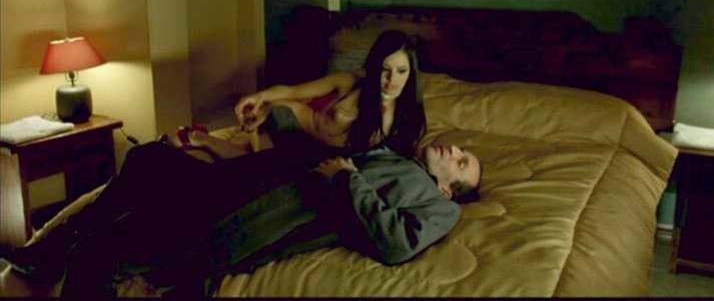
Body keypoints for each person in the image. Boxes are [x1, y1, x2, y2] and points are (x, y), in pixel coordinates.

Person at [1, 137, 481, 297]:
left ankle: (57, 253)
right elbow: (304, 150)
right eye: (461, 149)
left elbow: (397, 243)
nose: (454, 150)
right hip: (251, 178)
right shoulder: (394, 154)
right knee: (148, 158)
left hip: (256, 210)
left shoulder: (439, 206)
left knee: (100, 253)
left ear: (448, 190)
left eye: (462, 162)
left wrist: (348, 179)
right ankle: (51, 251)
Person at [173, 30, 426, 160]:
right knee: (252, 164)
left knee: (254, 166)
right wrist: (259, 97)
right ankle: (200, 138)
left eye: (401, 71)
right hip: (293, 121)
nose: (392, 81)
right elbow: (293, 91)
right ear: (374, 67)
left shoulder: (407, 116)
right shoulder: (350, 82)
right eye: (385, 70)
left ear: (411, 72)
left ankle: (198, 137)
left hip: (315, 151)